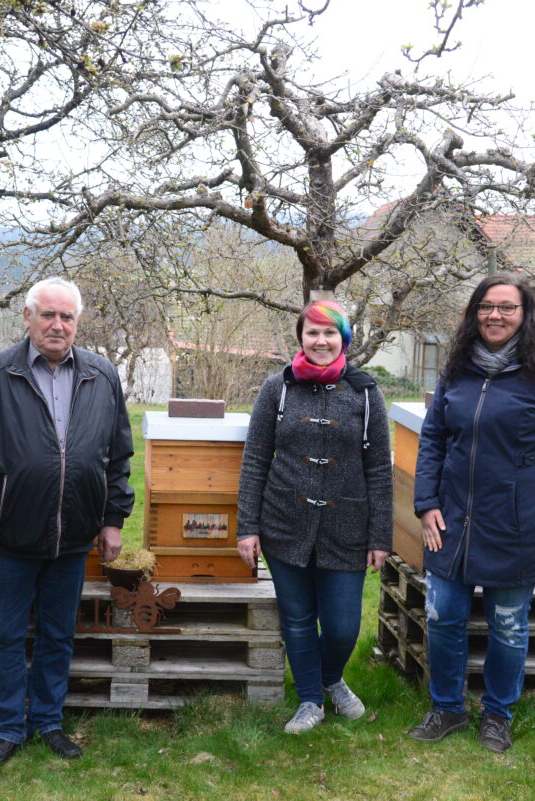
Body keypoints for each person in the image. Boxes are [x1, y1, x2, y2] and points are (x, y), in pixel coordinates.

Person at [0, 276, 135, 764]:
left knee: (57, 634)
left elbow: (118, 454)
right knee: (5, 635)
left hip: (74, 537)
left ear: (77, 323)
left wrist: (112, 520)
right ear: (27, 318)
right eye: (47, 315)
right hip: (9, 536)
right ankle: (7, 727)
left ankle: (48, 720)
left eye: (66, 317)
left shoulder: (101, 375)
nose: (57, 325)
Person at [407, 272, 535, 753]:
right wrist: (426, 503)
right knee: (443, 615)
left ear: (525, 315)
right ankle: (446, 708)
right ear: (475, 313)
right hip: (451, 519)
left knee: (508, 624)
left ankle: (497, 714)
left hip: (518, 527)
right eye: (486, 306)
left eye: (507, 307)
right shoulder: (456, 369)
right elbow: (433, 439)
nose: (495, 315)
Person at [236, 299, 393, 735]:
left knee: (343, 626)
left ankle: (331, 678)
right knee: (299, 619)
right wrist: (247, 526)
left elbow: (380, 468)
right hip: (284, 523)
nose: (320, 341)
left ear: (343, 339)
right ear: (300, 337)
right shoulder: (277, 389)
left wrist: (380, 535)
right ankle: (310, 701)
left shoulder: (365, 392)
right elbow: (254, 461)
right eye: (312, 332)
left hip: (347, 528)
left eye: (329, 333)